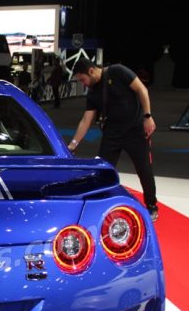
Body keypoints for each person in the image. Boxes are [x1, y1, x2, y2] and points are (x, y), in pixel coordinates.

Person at [68, 58, 159, 221]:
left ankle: (151, 206)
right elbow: (86, 120)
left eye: (83, 80)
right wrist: (72, 145)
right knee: (103, 170)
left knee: (144, 169)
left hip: (135, 131)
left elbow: (141, 89)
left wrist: (147, 116)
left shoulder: (118, 71)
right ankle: (98, 204)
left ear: (91, 71)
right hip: (112, 133)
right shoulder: (93, 92)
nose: (84, 84)